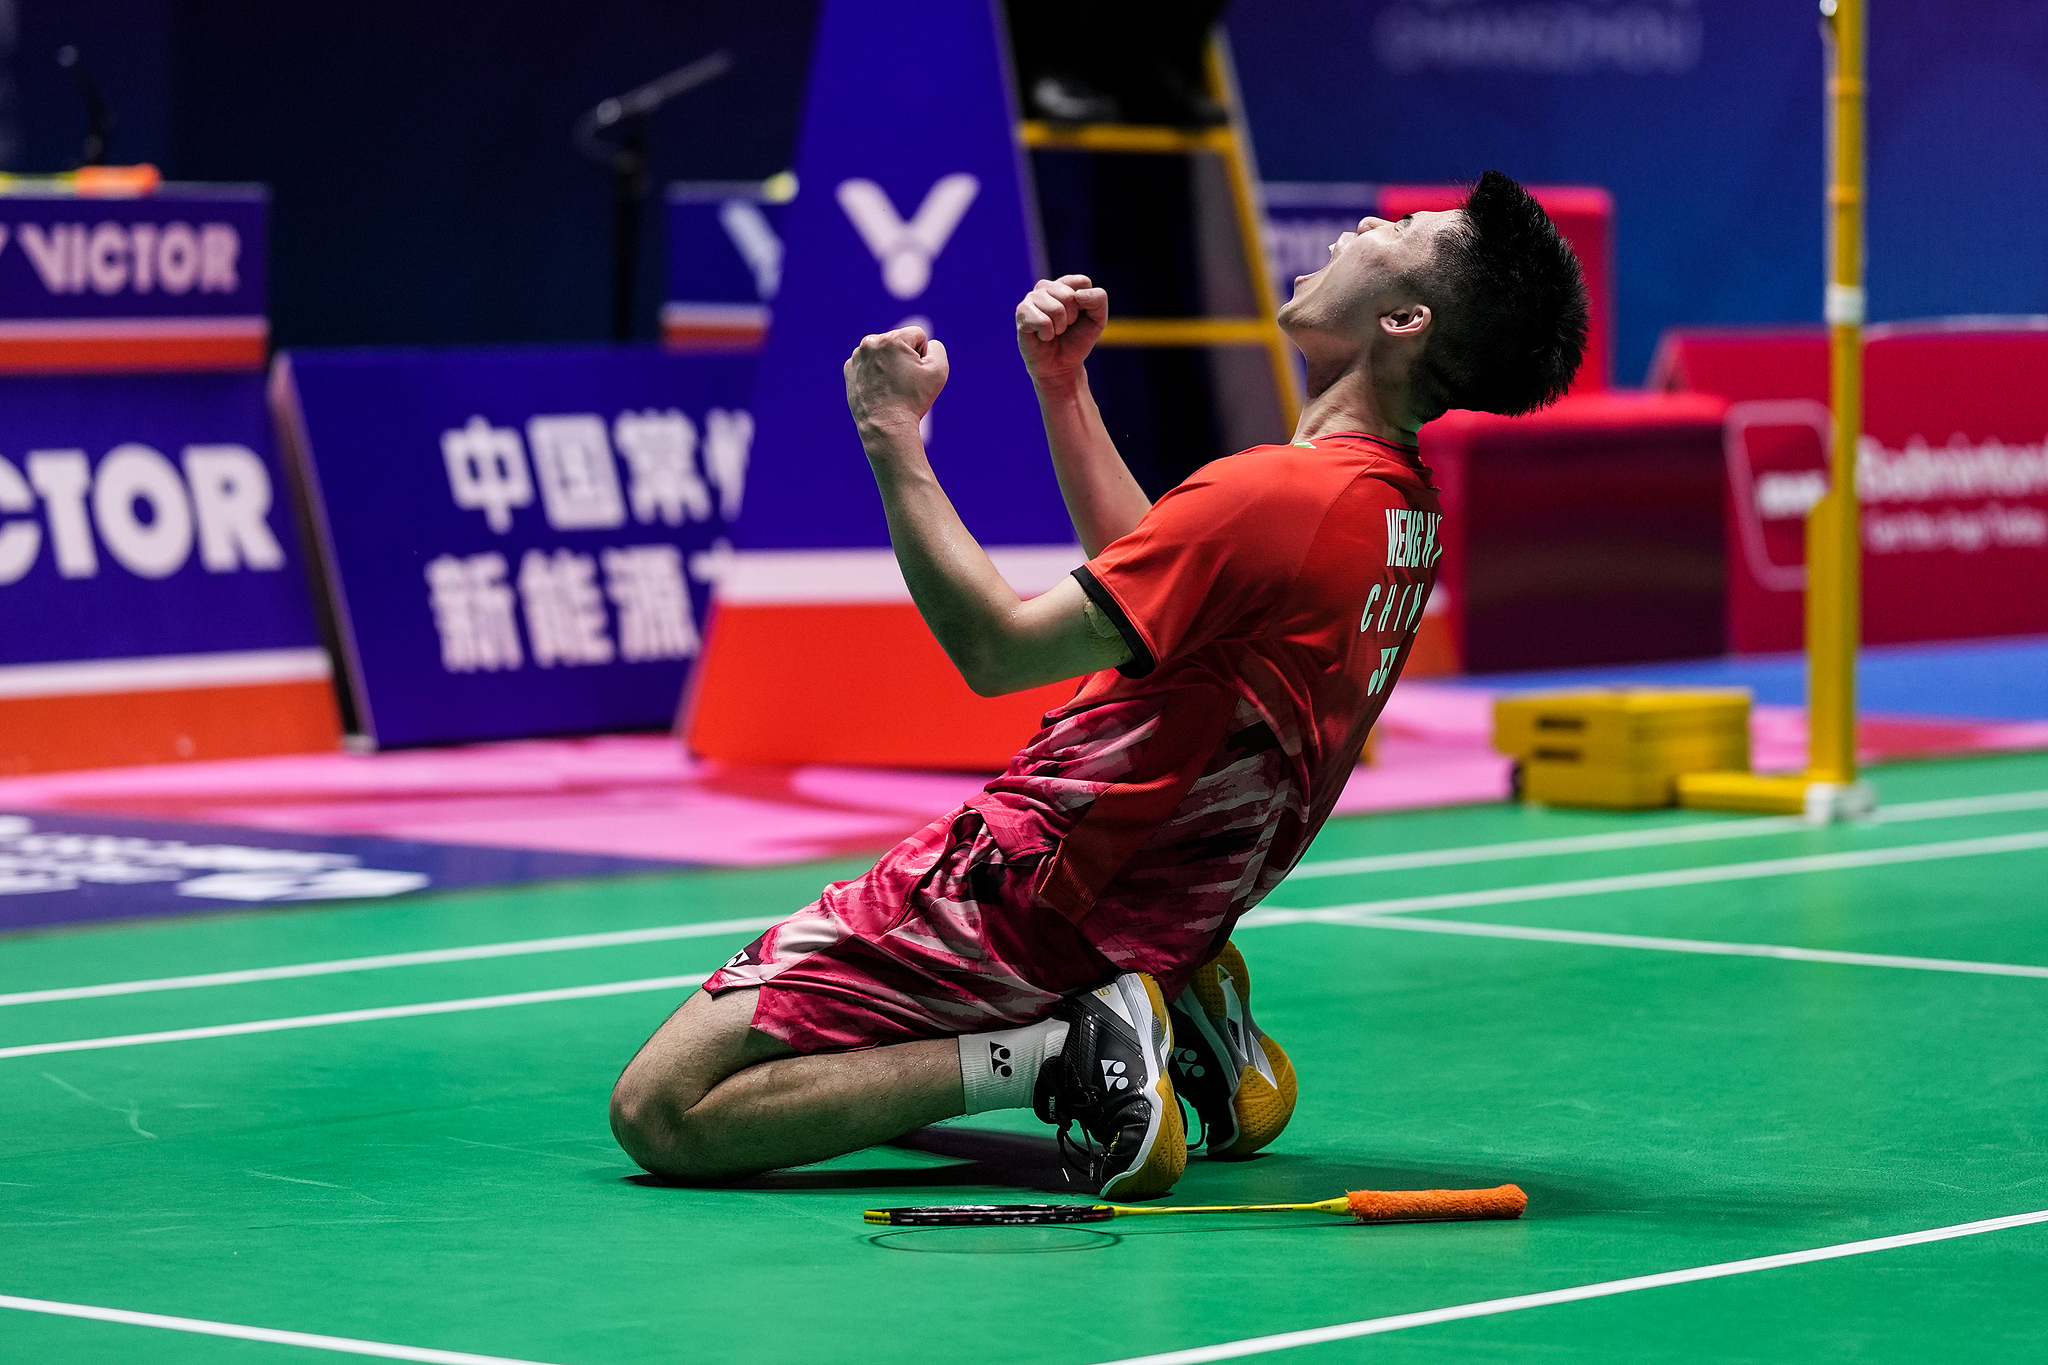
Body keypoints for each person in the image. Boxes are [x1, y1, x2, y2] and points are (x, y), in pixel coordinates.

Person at [610, 170, 1588, 1199]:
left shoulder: (1277, 495)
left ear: (1401, 319)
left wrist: (888, 433)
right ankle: (1173, 1006)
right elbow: (1162, 593)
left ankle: (1063, 1052)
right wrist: (1064, 386)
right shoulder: (1392, 511)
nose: (1360, 226)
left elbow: (995, 650)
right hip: (1164, 899)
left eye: (1394, 233)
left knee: (668, 1109)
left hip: (1034, 890)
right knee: (864, 1093)